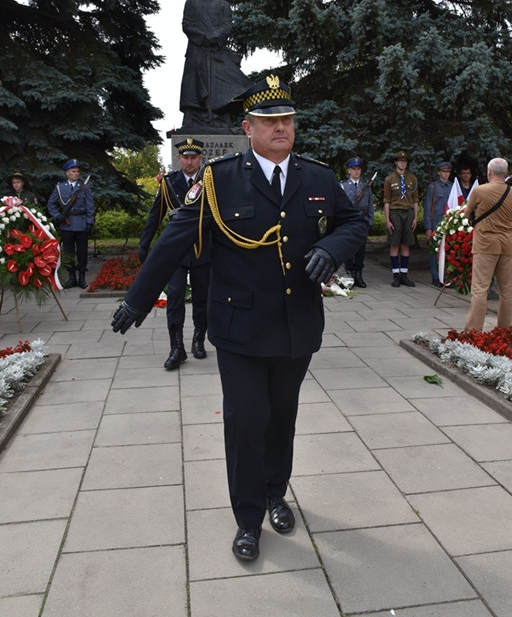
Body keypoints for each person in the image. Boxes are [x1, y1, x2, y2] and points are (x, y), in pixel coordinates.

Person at [112, 74, 367, 563]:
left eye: (287, 120)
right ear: (247, 128)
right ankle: (248, 518)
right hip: (240, 329)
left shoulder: (316, 176)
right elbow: (174, 239)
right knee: (246, 420)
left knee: (282, 418)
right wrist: (137, 301)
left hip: (296, 325)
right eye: (270, 122)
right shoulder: (219, 179)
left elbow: (352, 220)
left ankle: (276, 493)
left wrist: (330, 248)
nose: (281, 128)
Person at [138, 138, 211, 370]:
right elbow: (156, 214)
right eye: (185, 157)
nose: (189, 162)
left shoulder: (208, 181)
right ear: (179, 158)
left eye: (194, 157)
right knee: (175, 298)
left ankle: (198, 340)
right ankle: (176, 347)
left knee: (202, 299)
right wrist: (144, 243)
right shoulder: (169, 183)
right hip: (176, 251)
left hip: (203, 247)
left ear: (200, 158)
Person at [179, 0, 251, 131]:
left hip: (216, 51)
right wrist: (204, 37)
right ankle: (194, 118)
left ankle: (219, 116)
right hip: (196, 51)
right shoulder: (191, 3)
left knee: (219, 85)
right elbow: (187, 25)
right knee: (195, 87)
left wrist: (215, 36)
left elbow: (227, 25)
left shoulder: (222, 5)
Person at [463, 157, 512, 332]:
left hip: (485, 244)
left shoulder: (479, 190)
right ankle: (504, 332)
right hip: (508, 245)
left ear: (489, 172)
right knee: (507, 291)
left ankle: (473, 331)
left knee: (480, 289)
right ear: (505, 173)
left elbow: (468, 214)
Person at [48, 159, 94, 289]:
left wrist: (90, 222)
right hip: (67, 224)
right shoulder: (60, 186)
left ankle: (82, 279)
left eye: (78, 171)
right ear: (67, 173)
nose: (76, 174)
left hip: (81, 223)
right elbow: (51, 204)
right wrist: (58, 216)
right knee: (68, 253)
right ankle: (71, 278)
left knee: (82, 253)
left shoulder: (84, 187)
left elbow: (90, 206)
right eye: (73, 171)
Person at [383, 150, 419, 287]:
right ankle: (396, 276)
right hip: (395, 213)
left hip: (408, 212)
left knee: (406, 244)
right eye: (400, 161)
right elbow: (386, 201)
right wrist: (387, 220)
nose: (403, 163)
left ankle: (404, 275)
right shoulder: (389, 179)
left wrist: (415, 217)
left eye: (405, 161)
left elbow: (415, 200)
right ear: (396, 162)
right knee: (395, 244)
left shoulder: (412, 178)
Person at [340, 157, 374, 287]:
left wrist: (369, 221)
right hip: (348, 222)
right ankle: (349, 274)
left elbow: (370, 205)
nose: (356, 171)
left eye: (358, 169)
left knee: (360, 249)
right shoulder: (343, 185)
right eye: (353, 169)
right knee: (349, 249)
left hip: (362, 221)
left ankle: (359, 275)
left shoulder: (366, 187)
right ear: (349, 170)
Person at [423, 161, 453, 287]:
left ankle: (446, 277)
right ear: (439, 172)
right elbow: (428, 207)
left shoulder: (452, 186)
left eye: (448, 172)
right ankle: (436, 277)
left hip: (449, 224)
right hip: (436, 223)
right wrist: (428, 227)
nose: (446, 174)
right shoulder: (433, 187)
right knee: (434, 251)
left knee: (448, 251)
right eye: (443, 172)